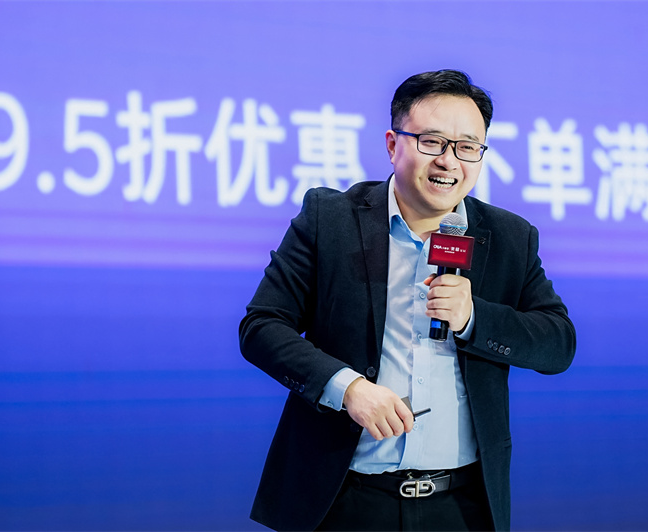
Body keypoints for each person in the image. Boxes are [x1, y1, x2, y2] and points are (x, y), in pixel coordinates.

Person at [239, 69, 576, 531]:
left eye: (467, 147)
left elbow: (558, 344)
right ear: (392, 144)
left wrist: (473, 318)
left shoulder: (509, 237)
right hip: (345, 500)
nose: (449, 161)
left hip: (461, 507)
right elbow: (261, 327)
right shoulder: (330, 220)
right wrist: (348, 389)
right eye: (432, 142)